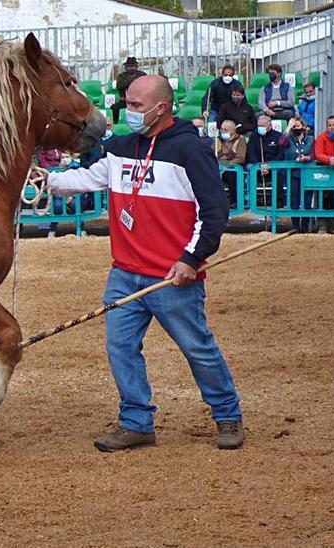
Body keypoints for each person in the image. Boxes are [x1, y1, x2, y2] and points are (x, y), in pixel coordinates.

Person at [44, 74, 243, 452]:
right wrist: (46, 181)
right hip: (124, 272)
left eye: (136, 106)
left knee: (197, 348)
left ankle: (228, 415)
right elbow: (88, 178)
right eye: (127, 104)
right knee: (120, 348)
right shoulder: (120, 148)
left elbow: (215, 211)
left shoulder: (190, 150)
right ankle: (136, 421)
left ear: (161, 108)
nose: (128, 112)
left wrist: (192, 259)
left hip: (173, 277)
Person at [280, 117, 315, 232]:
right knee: (293, 200)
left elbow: (314, 155)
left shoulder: (311, 139)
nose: (296, 129)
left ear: (304, 127)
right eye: (294, 127)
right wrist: (288, 128)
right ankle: (295, 226)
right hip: (291, 174)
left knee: (307, 200)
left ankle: (305, 226)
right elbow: (280, 143)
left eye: (298, 126)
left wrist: (308, 158)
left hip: (307, 173)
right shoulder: (288, 139)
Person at [216, 119, 247, 207]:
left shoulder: (240, 140)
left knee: (232, 174)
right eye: (221, 129)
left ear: (232, 130)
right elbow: (213, 153)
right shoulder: (218, 139)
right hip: (219, 166)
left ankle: (234, 201)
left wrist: (227, 163)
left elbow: (241, 158)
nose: (222, 132)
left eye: (225, 130)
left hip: (233, 167)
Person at [111, 57, 146, 123]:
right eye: (129, 66)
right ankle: (116, 124)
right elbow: (120, 85)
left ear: (136, 67)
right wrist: (134, 81)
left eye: (132, 66)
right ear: (126, 67)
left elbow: (145, 85)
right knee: (114, 107)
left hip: (139, 100)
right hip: (124, 101)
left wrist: (130, 82)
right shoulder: (121, 76)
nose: (131, 68)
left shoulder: (142, 74)